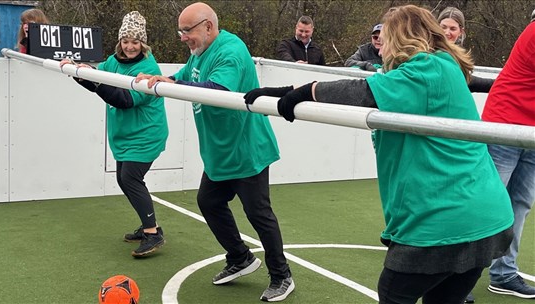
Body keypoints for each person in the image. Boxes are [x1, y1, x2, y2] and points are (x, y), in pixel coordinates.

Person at [245, 5, 514, 304]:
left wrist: (300, 92)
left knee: (393, 293)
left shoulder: (425, 69)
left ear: (400, 39)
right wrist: (289, 91)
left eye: (385, 39)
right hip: (487, 219)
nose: (380, 47)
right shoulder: (444, 64)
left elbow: (361, 93)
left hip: (445, 222)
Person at [135, 2, 294, 302]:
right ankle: (240, 257)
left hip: (247, 152)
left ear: (208, 26)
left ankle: (281, 275)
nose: (183, 37)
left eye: (187, 31)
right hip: (219, 154)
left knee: (258, 214)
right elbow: (188, 74)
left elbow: (216, 91)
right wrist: (166, 80)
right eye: (180, 31)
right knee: (208, 201)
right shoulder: (200, 51)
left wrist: (176, 84)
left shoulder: (231, 50)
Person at [59, 11, 168, 258]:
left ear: (143, 43)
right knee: (123, 178)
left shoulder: (148, 68)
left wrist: (92, 79)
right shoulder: (113, 61)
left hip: (146, 134)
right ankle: (147, 224)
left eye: (135, 41)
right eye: (126, 41)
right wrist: (77, 71)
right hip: (124, 135)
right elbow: (96, 81)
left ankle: (153, 233)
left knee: (130, 177)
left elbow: (123, 100)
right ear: (120, 41)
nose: (130, 46)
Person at [482, 13, 535, 299]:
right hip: (505, 124)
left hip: (531, 133)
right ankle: (453, 275)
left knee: (520, 202)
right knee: (486, 201)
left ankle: (503, 273)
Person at [437, 7, 492, 96]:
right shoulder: (430, 51)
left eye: (452, 29)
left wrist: (500, 84)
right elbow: (464, 81)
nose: (447, 32)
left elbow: (465, 81)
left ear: (460, 32)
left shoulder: (457, 56)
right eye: (443, 27)